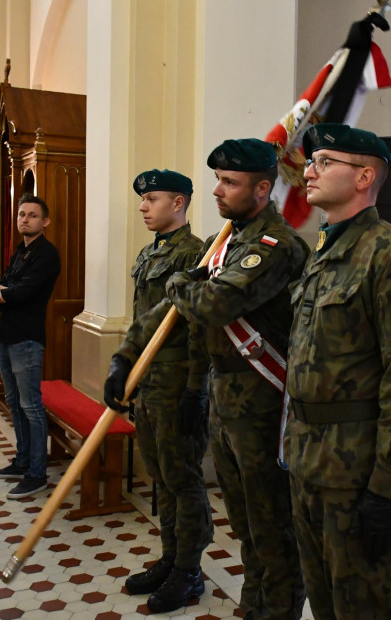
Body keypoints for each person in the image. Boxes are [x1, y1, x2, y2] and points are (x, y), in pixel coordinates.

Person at [108, 138, 308, 619]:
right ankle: (254, 602)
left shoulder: (273, 244)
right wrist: (125, 356)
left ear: (262, 189)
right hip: (228, 395)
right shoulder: (231, 242)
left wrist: (182, 281)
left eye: (230, 182)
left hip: (260, 397)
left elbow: (215, 305)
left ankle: (273, 606)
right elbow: (170, 310)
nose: (217, 190)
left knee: (270, 521)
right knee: (244, 518)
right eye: (218, 179)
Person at [283, 124, 391, 620]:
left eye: (325, 161)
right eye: (312, 161)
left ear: (364, 176)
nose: (309, 170)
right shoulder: (324, 251)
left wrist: (390, 484)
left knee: (362, 608)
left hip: (357, 469)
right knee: (325, 602)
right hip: (310, 461)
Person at [105, 169, 213, 614]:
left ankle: (189, 569)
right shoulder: (152, 253)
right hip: (148, 384)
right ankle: (171, 558)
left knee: (183, 479)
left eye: (152, 198)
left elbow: (200, 328)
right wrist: (124, 368)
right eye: (143, 199)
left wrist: (196, 390)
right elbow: (142, 318)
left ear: (179, 202)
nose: (143, 207)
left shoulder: (198, 254)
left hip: (176, 384)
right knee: (161, 479)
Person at [0, 194, 61, 499]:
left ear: (44, 222)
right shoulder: (21, 251)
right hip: (7, 335)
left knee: (30, 406)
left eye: (32, 215)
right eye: (21, 214)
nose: (24, 219)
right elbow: (6, 286)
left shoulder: (47, 254)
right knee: (14, 403)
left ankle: (36, 472)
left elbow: (21, 293)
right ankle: (22, 461)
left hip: (27, 338)